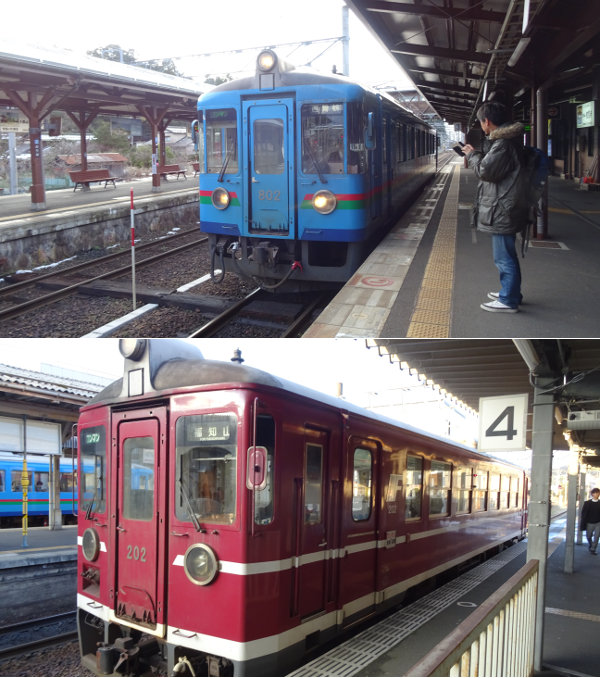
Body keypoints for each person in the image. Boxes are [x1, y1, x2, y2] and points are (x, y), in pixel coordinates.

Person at [462, 101, 529, 313]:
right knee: (506, 254)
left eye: (481, 122)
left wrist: (472, 155)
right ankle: (511, 293)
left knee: (504, 257)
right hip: (506, 205)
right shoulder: (507, 142)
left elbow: (485, 171)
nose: (482, 126)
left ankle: (508, 300)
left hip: (503, 208)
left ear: (487, 121)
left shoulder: (503, 144)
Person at [580, 487, 600, 554]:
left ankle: (593, 549)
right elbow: (583, 513)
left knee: (597, 537)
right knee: (588, 536)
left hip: (598, 523)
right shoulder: (587, 503)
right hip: (589, 523)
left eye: (598, 493)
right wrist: (583, 522)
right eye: (595, 493)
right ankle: (591, 544)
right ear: (592, 494)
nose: (596, 494)